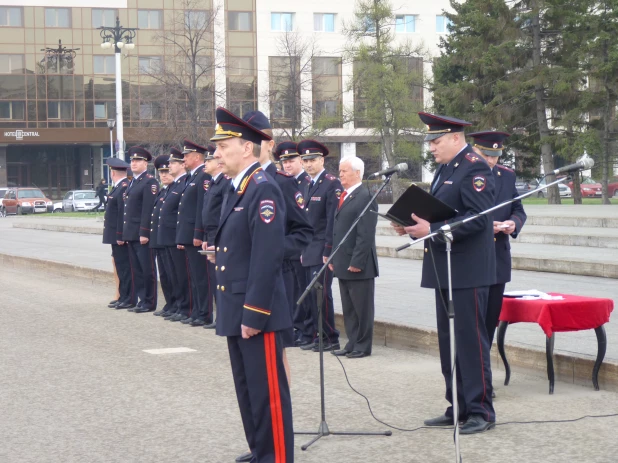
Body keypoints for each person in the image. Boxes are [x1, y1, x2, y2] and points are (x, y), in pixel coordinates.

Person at [391, 112, 496, 434]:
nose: (431, 148)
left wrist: (432, 228)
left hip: (467, 268)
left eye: (435, 141)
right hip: (445, 266)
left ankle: (481, 411)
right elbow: (442, 213)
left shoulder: (475, 167)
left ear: (455, 137)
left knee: (470, 341)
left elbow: (480, 218)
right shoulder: (445, 169)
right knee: (449, 341)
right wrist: (413, 228)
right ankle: (458, 405)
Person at [206, 107, 294, 463]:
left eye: (222, 147)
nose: (216, 153)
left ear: (245, 148)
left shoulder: (263, 188)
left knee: (268, 390)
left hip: (257, 311)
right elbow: (243, 245)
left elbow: (267, 256)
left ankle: (276, 456)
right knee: (248, 389)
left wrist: (254, 313)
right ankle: (261, 449)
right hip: (235, 304)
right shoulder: (237, 187)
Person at [469, 131, 527, 351]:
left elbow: (518, 209)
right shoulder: (466, 174)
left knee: (491, 317)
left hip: (498, 256)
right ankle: (474, 370)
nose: (491, 161)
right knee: (474, 320)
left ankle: (484, 369)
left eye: (496, 156)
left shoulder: (507, 175)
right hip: (474, 255)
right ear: (475, 151)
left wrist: (513, 223)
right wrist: (485, 226)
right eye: (487, 155)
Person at [329, 157, 378, 359]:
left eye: (344, 171)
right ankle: (352, 342)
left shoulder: (365, 196)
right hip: (342, 260)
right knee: (349, 308)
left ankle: (363, 345)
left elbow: (365, 234)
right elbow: (338, 231)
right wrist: (333, 256)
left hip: (359, 264)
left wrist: (357, 261)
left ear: (357, 173)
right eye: (340, 171)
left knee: (362, 308)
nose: (340, 174)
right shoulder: (345, 195)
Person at [297, 139, 342, 352]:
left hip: (321, 249)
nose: (308, 164)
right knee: (309, 296)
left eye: (312, 160)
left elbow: (332, 220)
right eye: (305, 160)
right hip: (307, 249)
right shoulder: (307, 183)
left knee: (321, 295)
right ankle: (316, 334)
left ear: (322, 160)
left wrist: (328, 249)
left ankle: (329, 336)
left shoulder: (331, 183)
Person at [276, 141, 313, 342]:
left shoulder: (307, 182)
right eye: (284, 162)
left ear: (300, 160)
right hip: (290, 247)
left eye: (291, 161)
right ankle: (297, 327)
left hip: (302, 245)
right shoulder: (284, 181)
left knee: (302, 290)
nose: (287, 165)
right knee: (294, 290)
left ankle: (304, 329)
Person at [156, 148, 193, 320]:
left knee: (181, 275)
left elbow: (183, 214)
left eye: (172, 163)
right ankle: (178, 305)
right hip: (168, 238)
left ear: (182, 165)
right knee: (172, 275)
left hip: (176, 237)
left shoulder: (185, 182)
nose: (169, 166)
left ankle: (185, 307)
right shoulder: (174, 186)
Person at [122, 146, 159, 314]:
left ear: (145, 163)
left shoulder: (149, 181)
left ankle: (149, 301)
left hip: (141, 233)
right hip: (131, 232)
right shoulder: (133, 182)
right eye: (132, 160)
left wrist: (145, 232)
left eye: (137, 160)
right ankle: (141, 299)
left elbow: (147, 209)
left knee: (147, 269)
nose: (133, 163)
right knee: (136, 269)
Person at [200, 144, 227, 330]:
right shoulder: (214, 182)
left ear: (218, 163)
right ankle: (220, 317)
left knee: (221, 277)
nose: (205, 163)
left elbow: (221, 213)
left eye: (209, 160)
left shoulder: (224, 182)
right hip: (210, 234)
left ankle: (223, 317)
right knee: (214, 278)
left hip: (219, 234)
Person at [103, 158, 134, 310]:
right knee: (121, 267)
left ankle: (127, 297)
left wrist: (120, 235)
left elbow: (123, 214)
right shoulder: (118, 187)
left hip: (119, 236)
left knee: (125, 267)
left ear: (112, 172)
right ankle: (123, 296)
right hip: (115, 235)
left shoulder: (123, 187)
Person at [150, 154, 175, 317]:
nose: (164, 175)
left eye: (167, 171)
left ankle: (177, 304)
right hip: (160, 239)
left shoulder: (175, 190)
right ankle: (170, 303)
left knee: (174, 275)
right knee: (165, 275)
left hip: (171, 240)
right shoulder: (162, 192)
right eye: (161, 172)